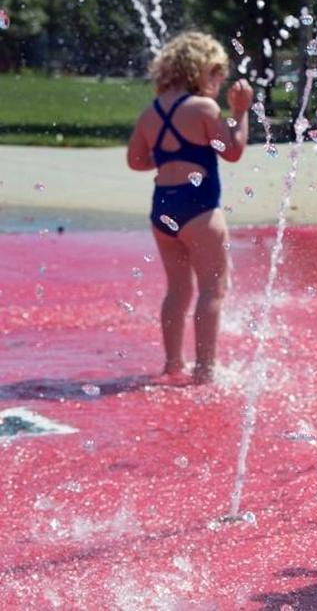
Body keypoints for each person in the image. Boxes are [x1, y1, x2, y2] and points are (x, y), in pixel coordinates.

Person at [126, 31, 252, 384]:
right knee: (213, 288)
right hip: (199, 208)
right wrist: (240, 112)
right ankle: (205, 370)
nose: (220, 82)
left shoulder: (151, 112)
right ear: (199, 70)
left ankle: (171, 365)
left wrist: (171, 156)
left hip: (163, 208)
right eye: (216, 73)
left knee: (177, 290)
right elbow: (232, 151)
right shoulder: (204, 108)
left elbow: (136, 161)